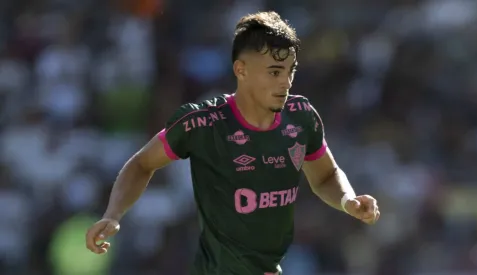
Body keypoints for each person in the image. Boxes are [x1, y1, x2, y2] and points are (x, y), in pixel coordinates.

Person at [85, 11, 380, 275]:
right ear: (241, 70)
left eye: (290, 70)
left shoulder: (301, 118)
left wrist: (347, 201)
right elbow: (141, 163)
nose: (285, 82)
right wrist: (113, 214)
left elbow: (326, 175)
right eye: (274, 72)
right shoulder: (203, 123)